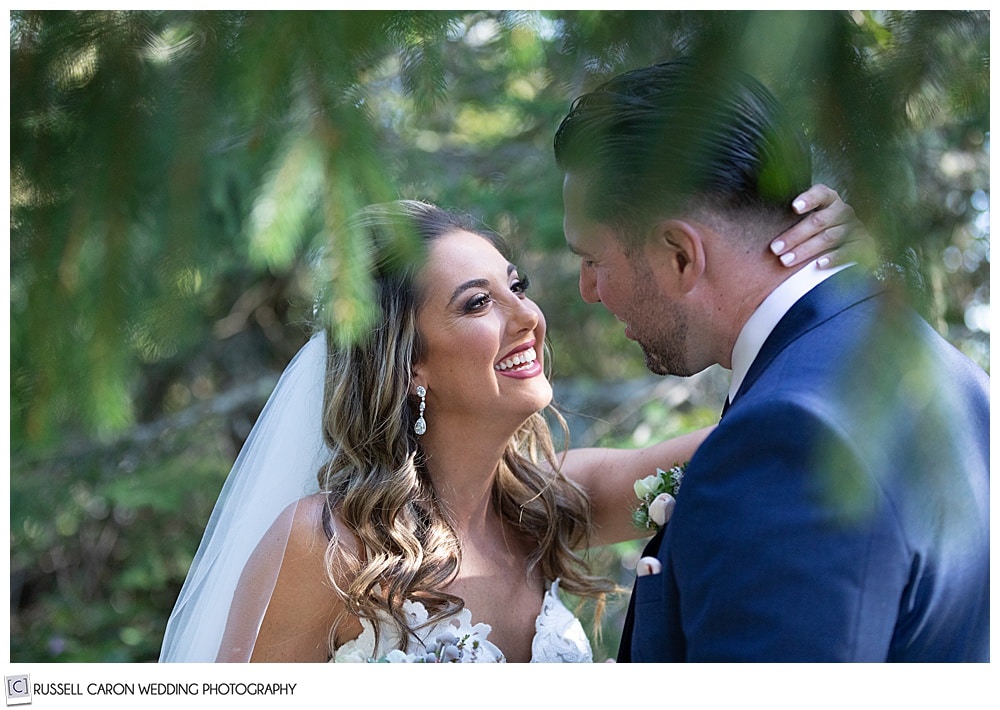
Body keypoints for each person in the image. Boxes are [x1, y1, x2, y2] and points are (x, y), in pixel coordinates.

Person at [159, 190, 864, 663]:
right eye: (477, 304)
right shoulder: (326, 549)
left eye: (516, 287)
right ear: (410, 366)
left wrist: (813, 264)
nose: (526, 317)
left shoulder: (555, 504)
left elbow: (782, 431)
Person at [553, 58, 990, 662]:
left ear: (680, 253)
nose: (587, 291)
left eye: (593, 258)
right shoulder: (943, 370)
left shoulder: (789, 439)